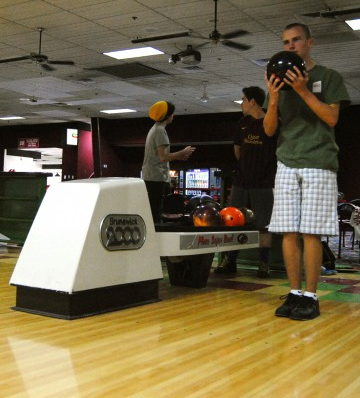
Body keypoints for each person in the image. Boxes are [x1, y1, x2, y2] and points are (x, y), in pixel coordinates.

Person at [263, 23, 350, 320]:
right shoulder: (278, 82)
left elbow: (332, 117)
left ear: (309, 42)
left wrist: (302, 90)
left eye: (296, 40)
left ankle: (311, 297)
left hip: (319, 161)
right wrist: (273, 99)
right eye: (286, 41)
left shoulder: (329, 77)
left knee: (310, 232)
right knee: (288, 232)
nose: (290, 46)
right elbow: (270, 129)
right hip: (286, 161)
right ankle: (295, 292)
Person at [214, 86, 278, 278]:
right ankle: (230, 261)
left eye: (243, 99)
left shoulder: (272, 122)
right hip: (242, 181)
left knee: (263, 226)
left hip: (264, 183)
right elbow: (237, 150)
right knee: (233, 221)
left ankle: (264, 264)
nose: (241, 103)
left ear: (253, 102)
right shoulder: (242, 123)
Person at [142, 101, 196, 223]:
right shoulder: (160, 131)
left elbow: (160, 156)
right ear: (167, 116)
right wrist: (183, 152)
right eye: (172, 114)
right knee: (156, 213)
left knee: (154, 210)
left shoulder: (154, 129)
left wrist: (177, 157)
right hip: (156, 178)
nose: (173, 116)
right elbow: (164, 157)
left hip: (151, 176)